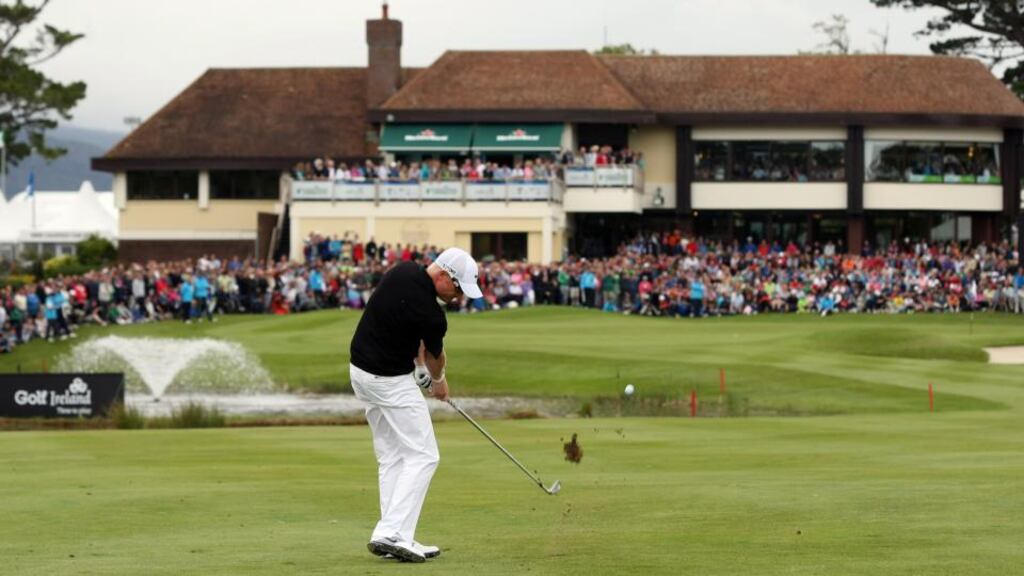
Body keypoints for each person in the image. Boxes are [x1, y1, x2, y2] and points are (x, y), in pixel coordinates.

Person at [349, 247, 482, 563]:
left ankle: (397, 536)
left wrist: (417, 368)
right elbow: (436, 358)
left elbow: (402, 326)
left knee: (393, 456)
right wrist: (438, 382)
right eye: (459, 287)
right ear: (444, 276)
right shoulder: (434, 316)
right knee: (424, 455)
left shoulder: (402, 271)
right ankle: (390, 531)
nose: (459, 296)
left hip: (360, 373)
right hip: (388, 380)